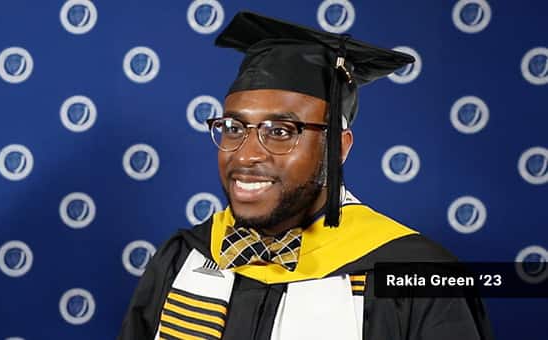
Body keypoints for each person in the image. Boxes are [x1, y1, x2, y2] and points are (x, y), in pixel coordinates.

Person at [117, 11, 493, 340]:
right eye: (233, 127)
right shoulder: (184, 257)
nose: (246, 154)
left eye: (280, 132)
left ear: (338, 147)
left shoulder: (416, 277)